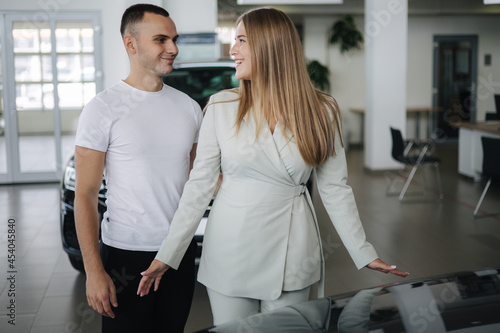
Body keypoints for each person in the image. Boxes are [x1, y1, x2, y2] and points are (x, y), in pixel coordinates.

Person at [137, 7, 409, 325]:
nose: (232, 50)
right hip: (230, 249)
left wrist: (364, 253)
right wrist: (168, 255)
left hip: (293, 251)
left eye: (240, 40)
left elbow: (335, 188)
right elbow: (199, 186)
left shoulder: (322, 110)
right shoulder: (221, 106)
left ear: (271, 46)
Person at [74, 3, 202, 332]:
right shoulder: (101, 109)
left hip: (177, 254)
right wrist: (93, 270)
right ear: (131, 44)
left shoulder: (189, 108)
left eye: (174, 39)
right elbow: (85, 194)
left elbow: (196, 184)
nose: (172, 48)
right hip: (125, 257)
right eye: (161, 39)